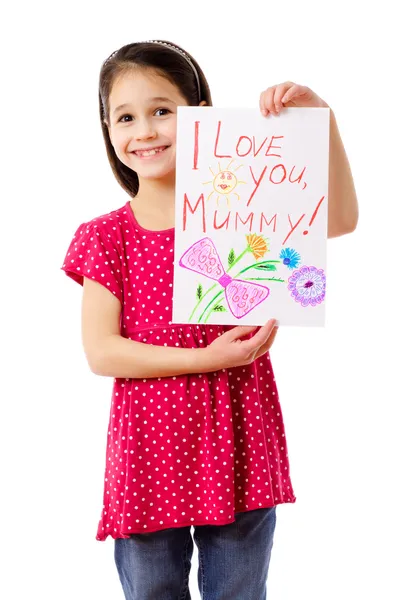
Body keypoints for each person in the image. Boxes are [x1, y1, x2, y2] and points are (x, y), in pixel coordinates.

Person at [60, 39, 358, 600]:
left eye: (162, 110)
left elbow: (339, 218)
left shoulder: (240, 205)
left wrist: (322, 121)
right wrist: (206, 357)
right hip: (150, 452)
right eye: (125, 117)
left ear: (200, 112)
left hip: (237, 437)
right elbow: (103, 352)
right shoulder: (105, 236)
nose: (144, 131)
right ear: (108, 129)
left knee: (241, 591)